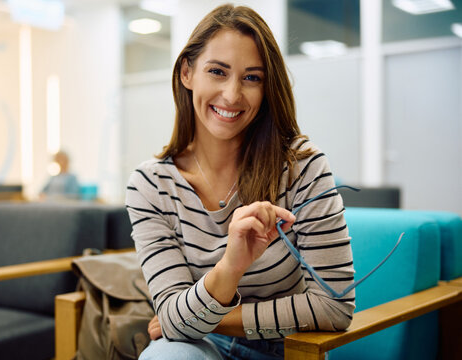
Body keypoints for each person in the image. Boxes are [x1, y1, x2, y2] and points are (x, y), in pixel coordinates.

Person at [125, 4, 355, 359]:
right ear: (187, 73)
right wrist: (230, 267)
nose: (232, 95)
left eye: (252, 78)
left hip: (291, 347)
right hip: (200, 348)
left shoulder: (302, 167)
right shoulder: (150, 184)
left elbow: (335, 308)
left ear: (266, 88)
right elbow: (172, 321)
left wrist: (206, 318)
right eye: (217, 72)